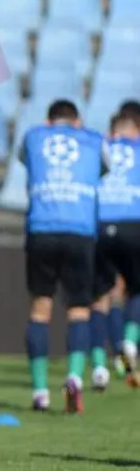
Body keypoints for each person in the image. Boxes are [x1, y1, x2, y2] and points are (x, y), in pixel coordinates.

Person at [19, 99, 106, 413]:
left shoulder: (33, 136)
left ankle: (40, 391)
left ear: (48, 120)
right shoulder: (94, 139)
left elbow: (25, 162)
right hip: (80, 232)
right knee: (80, 309)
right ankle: (76, 377)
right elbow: (103, 170)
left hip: (41, 230)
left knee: (40, 309)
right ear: (78, 121)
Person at [91, 113, 140, 388]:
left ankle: (100, 368)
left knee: (100, 298)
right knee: (136, 289)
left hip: (101, 225)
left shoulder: (98, 146)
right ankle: (129, 344)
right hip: (134, 224)